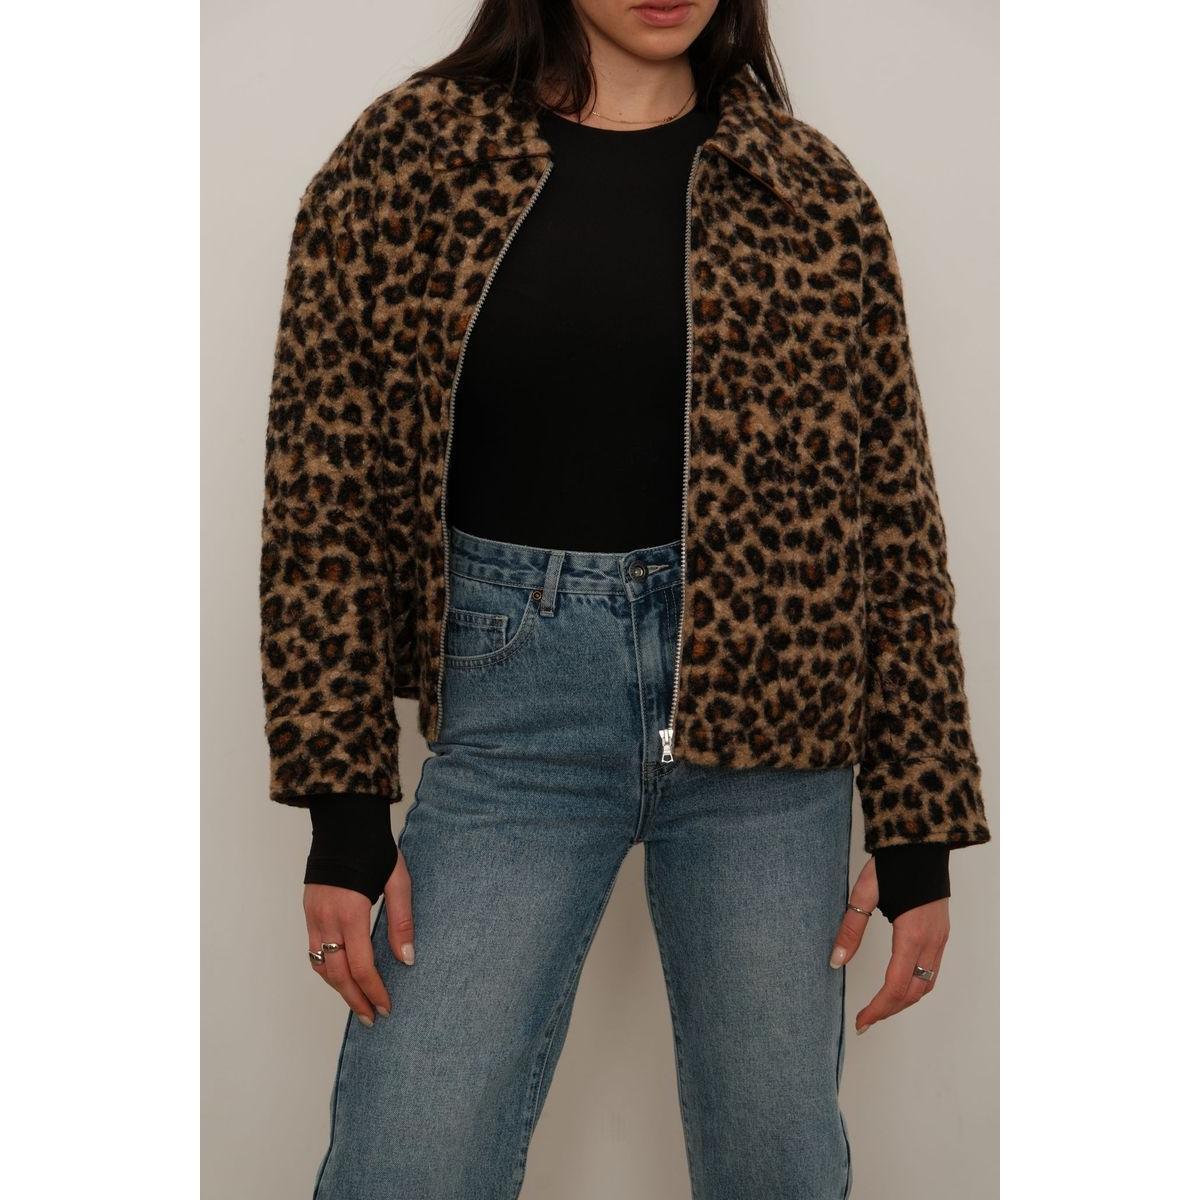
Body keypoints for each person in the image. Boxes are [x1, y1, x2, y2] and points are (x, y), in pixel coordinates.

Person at [259, 1, 991, 1194]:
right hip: (515, 721)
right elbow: (319, 491)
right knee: (408, 1156)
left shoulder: (810, 193)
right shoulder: (410, 161)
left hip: (771, 737)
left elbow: (895, 520)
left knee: (778, 1165)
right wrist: (341, 812)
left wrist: (918, 832)